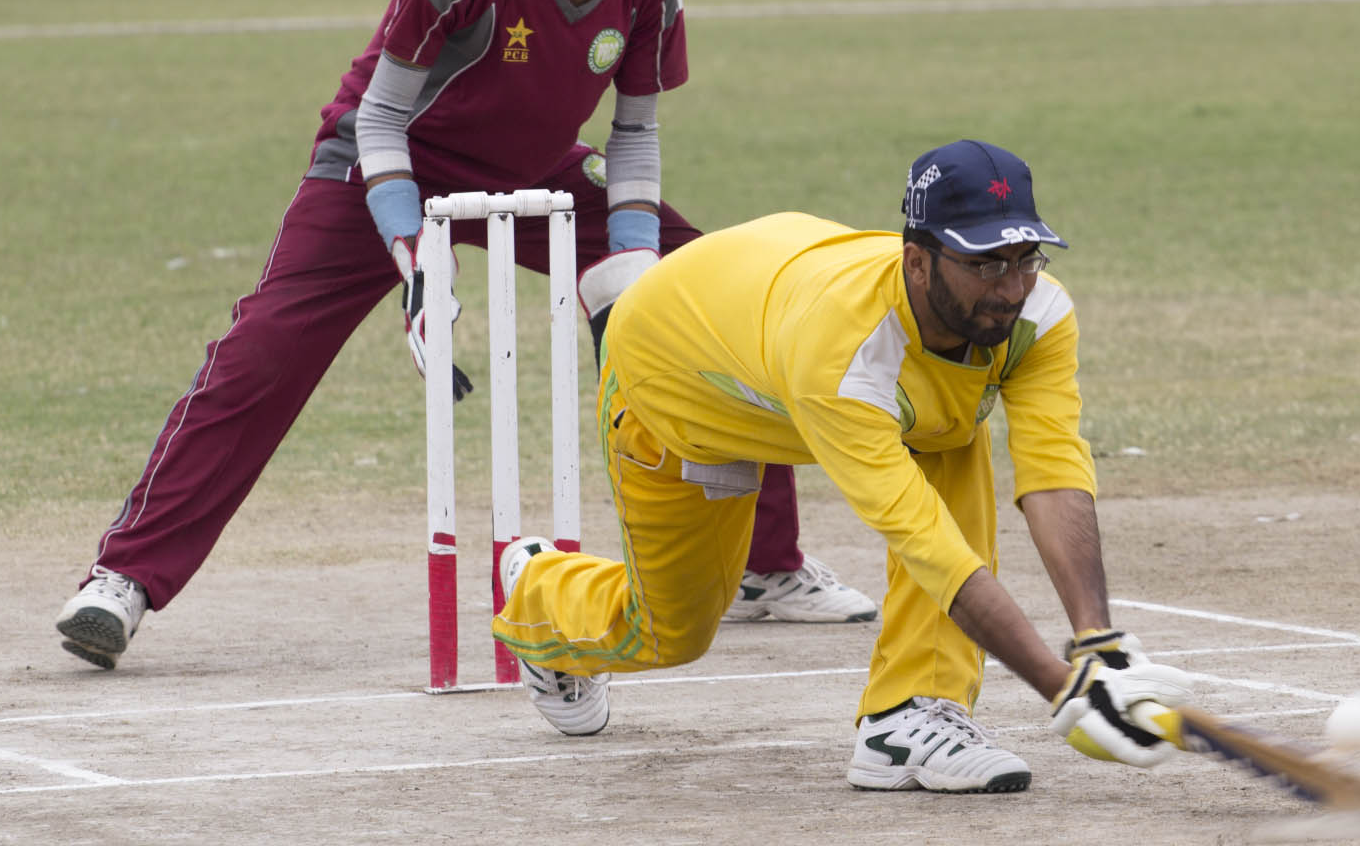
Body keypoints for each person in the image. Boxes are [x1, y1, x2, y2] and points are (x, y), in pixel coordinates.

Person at [53, 0, 873, 673]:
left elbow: (633, 135)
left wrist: (637, 265)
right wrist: (414, 259)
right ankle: (122, 580)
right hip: (384, 164)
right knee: (266, 352)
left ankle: (767, 566)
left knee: (711, 291)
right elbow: (378, 120)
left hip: (536, 165)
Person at [492, 139, 1196, 792]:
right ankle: (542, 593)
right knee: (671, 632)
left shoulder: (1037, 315)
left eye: (1023, 257)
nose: (1010, 287)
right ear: (917, 261)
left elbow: (1054, 473)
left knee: (953, 432)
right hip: (675, 374)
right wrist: (1063, 691)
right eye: (984, 264)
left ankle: (908, 717)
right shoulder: (848, 353)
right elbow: (926, 541)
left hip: (762, 325)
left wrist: (1099, 642)